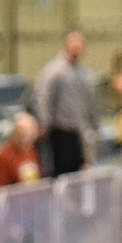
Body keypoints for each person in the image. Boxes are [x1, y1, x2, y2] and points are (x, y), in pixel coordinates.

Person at [34, 31, 98, 175]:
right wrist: (45, 122)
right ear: (65, 45)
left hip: (79, 129)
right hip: (60, 130)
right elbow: (43, 96)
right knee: (62, 171)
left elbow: (92, 101)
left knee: (79, 170)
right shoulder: (54, 71)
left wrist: (96, 126)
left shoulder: (85, 73)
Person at [0, 111, 41, 188]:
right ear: (14, 132)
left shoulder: (31, 151)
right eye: (21, 129)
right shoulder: (3, 156)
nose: (25, 134)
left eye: (29, 129)